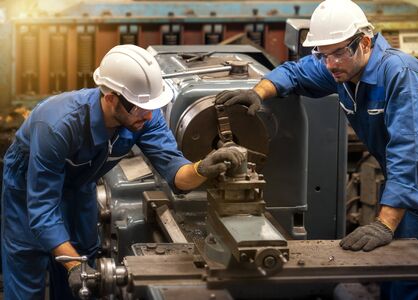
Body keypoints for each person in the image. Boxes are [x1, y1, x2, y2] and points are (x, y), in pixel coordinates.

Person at [215, 0, 418, 299]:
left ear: (364, 42)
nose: (330, 64)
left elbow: (412, 156)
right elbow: (296, 73)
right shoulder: (341, 66)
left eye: (337, 52)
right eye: (323, 54)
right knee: (394, 272)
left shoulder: (400, 75)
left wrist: (383, 223)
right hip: (403, 184)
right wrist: (256, 93)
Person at [1, 44, 244, 300]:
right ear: (110, 97)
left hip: (81, 182)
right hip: (28, 181)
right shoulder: (57, 126)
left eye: (152, 105)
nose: (149, 115)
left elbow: (178, 176)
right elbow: (42, 210)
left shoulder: (145, 117)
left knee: (83, 258)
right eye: (139, 107)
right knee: (29, 260)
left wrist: (202, 168)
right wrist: (72, 266)